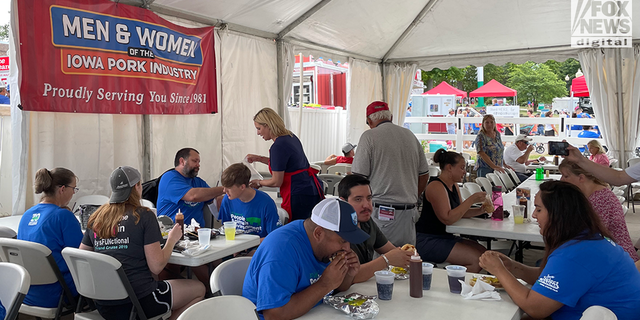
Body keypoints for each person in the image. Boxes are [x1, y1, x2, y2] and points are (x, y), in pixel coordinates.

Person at [479, 181, 640, 320]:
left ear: (558, 214)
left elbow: (535, 308)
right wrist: (513, 267)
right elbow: (553, 278)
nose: (534, 215)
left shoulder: (575, 254)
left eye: (539, 209)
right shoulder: (588, 239)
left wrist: (499, 270)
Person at [80, 167, 204, 320]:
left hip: (104, 303)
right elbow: (157, 267)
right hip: (138, 302)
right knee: (199, 289)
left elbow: (82, 259)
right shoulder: (144, 215)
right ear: (137, 187)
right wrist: (172, 239)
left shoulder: (96, 217)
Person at [242, 198, 369, 320]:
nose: (347, 248)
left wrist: (348, 274)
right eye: (343, 241)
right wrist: (324, 284)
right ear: (318, 233)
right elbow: (274, 315)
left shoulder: (321, 244)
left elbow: (339, 288)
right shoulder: (282, 250)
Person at [352, 101, 429, 246]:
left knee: (380, 263)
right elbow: (424, 175)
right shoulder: (410, 135)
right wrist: (412, 195)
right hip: (409, 213)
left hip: (382, 212)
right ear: (391, 117)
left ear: (369, 121)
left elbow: (358, 178)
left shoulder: (369, 136)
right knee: (406, 259)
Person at [17, 167, 83, 308]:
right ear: (62, 189)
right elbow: (82, 256)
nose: (74, 193)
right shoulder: (63, 217)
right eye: (74, 189)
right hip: (58, 294)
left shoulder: (26, 215)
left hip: (26, 293)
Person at [416, 149, 488, 272]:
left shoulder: (453, 185)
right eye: (461, 168)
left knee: (485, 255)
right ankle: (449, 280)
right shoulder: (436, 186)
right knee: (477, 260)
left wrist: (481, 210)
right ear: (449, 168)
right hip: (428, 239)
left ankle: (451, 275)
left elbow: (460, 212)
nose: (465, 172)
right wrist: (471, 200)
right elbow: (448, 218)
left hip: (445, 236)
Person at [247, 107, 324, 221]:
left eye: (259, 128)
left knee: (297, 229)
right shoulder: (290, 137)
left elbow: (277, 181)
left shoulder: (278, 146)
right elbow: (286, 164)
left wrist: (258, 182)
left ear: (268, 125)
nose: (258, 133)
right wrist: (259, 158)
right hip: (310, 188)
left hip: (297, 193)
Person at [336, 174, 413, 283]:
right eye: (358, 199)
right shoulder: (336, 231)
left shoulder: (367, 223)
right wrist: (386, 260)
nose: (366, 205)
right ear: (343, 202)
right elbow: (348, 277)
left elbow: (392, 251)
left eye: (369, 198)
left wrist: (408, 256)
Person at [558, 161, 638, 262]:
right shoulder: (590, 194)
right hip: (607, 253)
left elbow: (593, 236)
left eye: (565, 176)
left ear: (581, 178)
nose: (561, 180)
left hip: (616, 259)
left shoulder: (600, 198)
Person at [157, 148, 224, 226]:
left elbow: (212, 196)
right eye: (194, 161)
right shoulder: (169, 178)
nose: (198, 165)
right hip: (173, 234)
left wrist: (220, 198)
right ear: (182, 161)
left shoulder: (198, 182)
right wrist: (224, 189)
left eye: (199, 162)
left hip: (198, 234)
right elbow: (193, 196)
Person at [219, 163, 280, 244]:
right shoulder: (227, 199)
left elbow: (274, 236)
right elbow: (225, 230)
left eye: (229, 188)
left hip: (258, 247)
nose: (224, 191)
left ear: (242, 187)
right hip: (235, 246)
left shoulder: (266, 203)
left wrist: (247, 245)